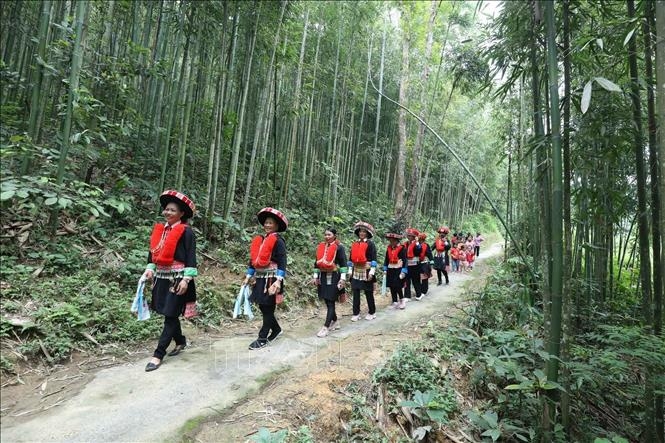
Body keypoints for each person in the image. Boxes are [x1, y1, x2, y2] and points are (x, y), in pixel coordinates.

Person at [142, 190, 197, 372]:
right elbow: (153, 252)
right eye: (166, 209)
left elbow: (191, 257)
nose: (168, 212)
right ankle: (180, 341)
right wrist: (149, 269)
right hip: (161, 278)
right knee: (168, 313)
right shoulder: (161, 230)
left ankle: (158, 354)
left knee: (171, 315)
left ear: (181, 213)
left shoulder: (187, 232)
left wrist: (186, 280)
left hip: (177, 279)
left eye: (172, 210)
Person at [243, 207, 288, 350]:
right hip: (260, 278)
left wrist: (278, 281)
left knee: (268, 308)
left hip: (272, 279)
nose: (267, 225)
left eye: (271, 223)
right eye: (266, 223)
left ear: (276, 225)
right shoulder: (261, 240)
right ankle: (276, 329)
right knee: (263, 307)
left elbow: (282, 261)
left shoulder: (279, 241)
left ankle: (262, 337)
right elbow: (253, 260)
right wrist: (248, 275)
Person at [313, 228, 348, 337]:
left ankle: (326, 327)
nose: (327, 236)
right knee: (327, 300)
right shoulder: (321, 247)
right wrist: (315, 276)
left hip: (334, 276)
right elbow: (316, 263)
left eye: (329, 234)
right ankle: (335, 321)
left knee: (331, 300)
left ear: (334, 235)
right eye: (325, 234)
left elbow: (343, 264)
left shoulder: (339, 247)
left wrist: (342, 279)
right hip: (323, 276)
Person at [347, 221, 378, 321]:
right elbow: (350, 259)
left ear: (367, 233)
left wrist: (372, 272)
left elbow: (373, 260)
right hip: (356, 270)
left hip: (366, 270)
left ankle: (372, 312)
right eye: (360, 231)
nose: (362, 233)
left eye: (364, 232)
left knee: (368, 292)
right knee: (355, 291)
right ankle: (356, 313)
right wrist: (349, 271)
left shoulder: (371, 244)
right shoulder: (354, 244)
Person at [382, 231, 408, 309]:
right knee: (391, 285)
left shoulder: (402, 249)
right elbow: (386, 259)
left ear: (397, 241)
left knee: (398, 285)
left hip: (398, 269)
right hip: (390, 269)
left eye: (393, 240)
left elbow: (405, 260)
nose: (391, 242)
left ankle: (402, 300)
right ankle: (394, 301)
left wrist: (404, 271)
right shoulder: (389, 248)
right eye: (390, 240)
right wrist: (385, 269)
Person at [403, 228, 423, 301]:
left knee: (416, 280)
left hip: (415, 265)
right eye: (408, 235)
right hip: (407, 265)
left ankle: (419, 294)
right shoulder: (405, 244)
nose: (409, 237)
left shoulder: (417, 244)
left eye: (411, 236)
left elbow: (419, 250)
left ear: (414, 237)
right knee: (407, 280)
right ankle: (407, 296)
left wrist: (417, 242)